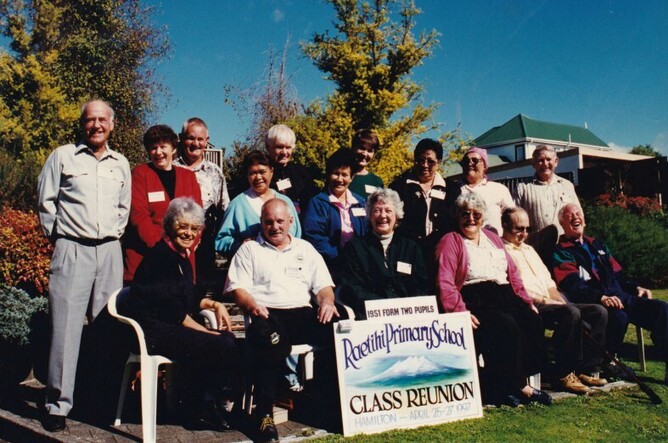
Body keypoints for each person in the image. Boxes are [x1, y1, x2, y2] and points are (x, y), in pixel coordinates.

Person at [37, 100, 131, 432]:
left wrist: (110, 238)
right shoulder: (62, 157)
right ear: (83, 124)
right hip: (72, 249)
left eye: (102, 120)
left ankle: (97, 402)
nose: (96, 125)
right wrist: (61, 239)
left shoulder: (121, 164)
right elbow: (46, 202)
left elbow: (124, 209)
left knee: (108, 328)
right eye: (90, 120)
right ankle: (57, 405)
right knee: (65, 329)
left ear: (112, 124)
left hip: (108, 251)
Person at [225, 198, 344, 442]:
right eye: (269, 222)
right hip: (267, 314)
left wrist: (327, 302)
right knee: (269, 342)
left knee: (341, 330)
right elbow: (238, 289)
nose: (275, 227)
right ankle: (265, 415)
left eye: (280, 221)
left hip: (301, 313)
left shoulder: (305, 249)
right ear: (261, 223)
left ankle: (334, 405)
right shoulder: (250, 249)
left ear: (290, 221)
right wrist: (252, 306)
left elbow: (323, 286)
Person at [128, 197, 239, 431]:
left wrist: (214, 305)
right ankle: (202, 407)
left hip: (172, 325)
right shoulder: (160, 258)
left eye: (194, 228)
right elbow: (175, 312)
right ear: (170, 226)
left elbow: (190, 295)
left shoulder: (182, 255)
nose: (188, 233)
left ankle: (202, 404)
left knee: (228, 339)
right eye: (183, 226)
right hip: (154, 330)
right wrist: (209, 333)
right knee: (220, 343)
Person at [436, 193, 550, 407]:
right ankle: (507, 386)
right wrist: (458, 311)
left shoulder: (493, 238)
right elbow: (445, 281)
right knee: (506, 326)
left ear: (483, 217)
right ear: (457, 216)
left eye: (476, 214)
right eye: (465, 214)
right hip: (475, 297)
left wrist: (527, 302)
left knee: (532, 321)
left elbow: (513, 274)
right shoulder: (451, 240)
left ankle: (518, 381)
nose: (471, 219)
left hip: (504, 293)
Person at [553, 203, 668, 383]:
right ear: (562, 223)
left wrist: (636, 287)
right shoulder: (561, 251)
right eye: (569, 215)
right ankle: (607, 362)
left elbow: (618, 274)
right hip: (597, 301)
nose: (575, 217)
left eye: (578, 213)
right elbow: (572, 284)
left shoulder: (597, 244)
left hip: (621, 296)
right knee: (619, 317)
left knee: (662, 309)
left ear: (584, 219)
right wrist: (601, 298)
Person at [501, 207, 608, 394]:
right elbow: (515, 289)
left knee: (598, 311)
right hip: (529, 304)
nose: (524, 234)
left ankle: (585, 368)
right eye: (519, 229)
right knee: (571, 314)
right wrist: (550, 302)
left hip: (550, 300)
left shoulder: (529, 250)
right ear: (504, 226)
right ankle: (563, 374)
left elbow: (549, 284)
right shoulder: (500, 251)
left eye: (527, 229)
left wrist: (560, 301)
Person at [122, 125, 202, 284]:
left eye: (163, 146)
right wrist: (165, 249)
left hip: (183, 257)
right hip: (148, 259)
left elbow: (198, 218)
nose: (158, 152)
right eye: (153, 148)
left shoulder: (188, 177)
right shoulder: (140, 174)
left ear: (173, 149)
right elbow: (139, 216)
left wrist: (187, 244)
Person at [339, 188, 427, 319]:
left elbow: (421, 285)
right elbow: (352, 288)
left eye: (388, 210)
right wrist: (385, 305)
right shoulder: (355, 248)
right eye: (377, 210)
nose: (382, 216)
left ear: (397, 216)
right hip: (371, 316)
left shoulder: (411, 248)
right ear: (369, 216)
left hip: (409, 316)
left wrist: (406, 306)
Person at [216, 150, 301, 258]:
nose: (258, 177)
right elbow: (221, 241)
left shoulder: (285, 202)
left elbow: (297, 236)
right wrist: (239, 246)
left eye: (262, 172)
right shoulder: (237, 205)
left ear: (271, 172)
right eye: (252, 173)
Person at [175, 117, 229, 284]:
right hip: (175, 242)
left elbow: (224, 208)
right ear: (181, 138)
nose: (195, 143)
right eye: (191, 138)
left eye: (200, 139)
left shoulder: (215, 172)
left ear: (207, 141)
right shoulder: (171, 168)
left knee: (200, 291)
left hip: (204, 244)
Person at [389, 138, 449, 286]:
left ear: (439, 162)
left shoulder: (451, 190)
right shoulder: (398, 187)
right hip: (406, 252)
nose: (425, 165)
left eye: (431, 161)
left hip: (439, 255)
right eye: (420, 160)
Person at [303, 148, 367, 281]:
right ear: (328, 175)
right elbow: (314, 237)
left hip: (358, 265)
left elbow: (367, 233)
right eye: (335, 173)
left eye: (344, 175)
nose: (339, 179)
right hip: (330, 266)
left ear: (352, 177)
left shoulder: (360, 203)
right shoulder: (318, 202)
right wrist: (341, 257)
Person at [515, 144, 580, 263]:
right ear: (533, 164)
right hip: (535, 251)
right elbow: (515, 222)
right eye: (540, 160)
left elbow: (579, 216)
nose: (545, 164)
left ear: (556, 162)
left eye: (548, 159)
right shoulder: (522, 188)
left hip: (565, 250)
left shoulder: (567, 186)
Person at [448, 146, 514, 234]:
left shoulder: (499, 189)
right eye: (466, 161)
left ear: (484, 166)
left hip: (493, 244)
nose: (469, 163)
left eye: (474, 160)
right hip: (462, 244)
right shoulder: (453, 190)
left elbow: (513, 218)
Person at [264, 124, 319, 216]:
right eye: (279, 147)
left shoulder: (302, 172)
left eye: (288, 147)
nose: (284, 152)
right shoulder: (263, 173)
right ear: (268, 147)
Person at [348, 129, 384, 197]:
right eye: (362, 148)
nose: (365, 154)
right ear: (353, 148)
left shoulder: (376, 182)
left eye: (370, 151)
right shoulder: (342, 177)